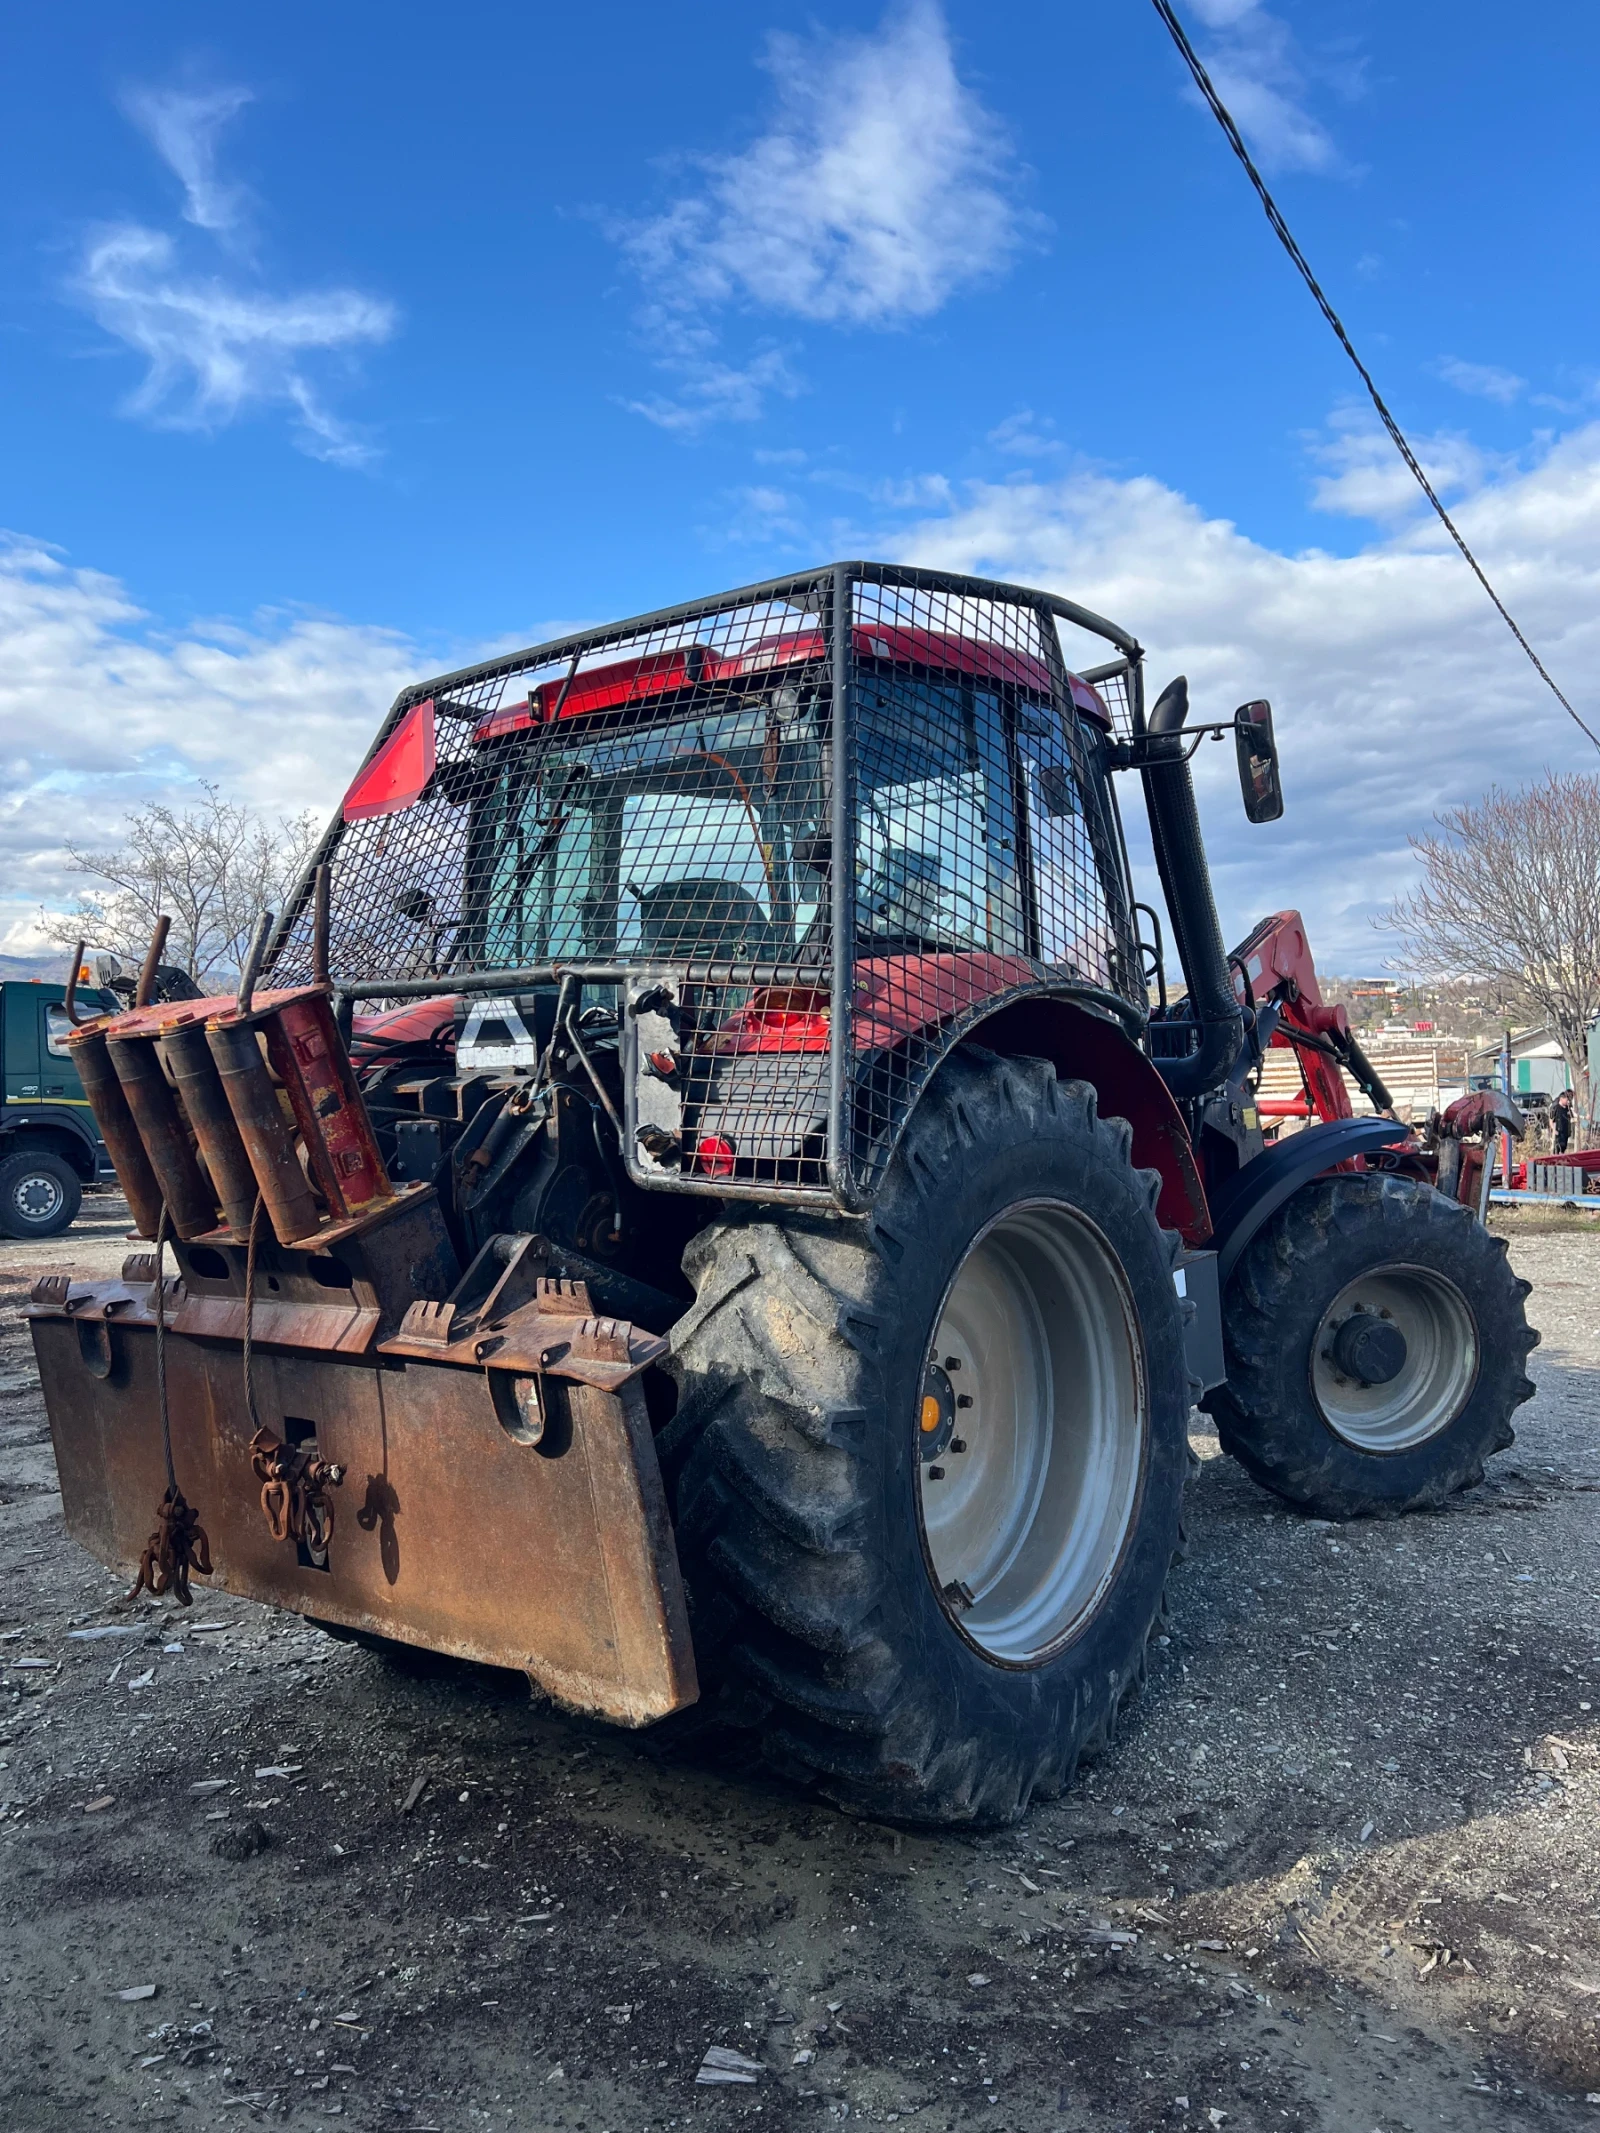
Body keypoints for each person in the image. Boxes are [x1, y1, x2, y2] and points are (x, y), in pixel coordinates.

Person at [1552, 1087, 1574, 1155]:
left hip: (1565, 1128)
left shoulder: (1567, 1104)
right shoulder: (1556, 1104)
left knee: (1564, 1145)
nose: (1570, 1099)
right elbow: (1552, 1118)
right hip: (1558, 1127)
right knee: (1558, 1145)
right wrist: (1553, 1129)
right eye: (1570, 1096)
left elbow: (1571, 1113)